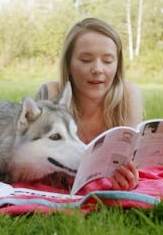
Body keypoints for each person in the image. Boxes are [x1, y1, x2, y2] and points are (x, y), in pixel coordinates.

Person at [35, 17, 144, 191]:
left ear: (117, 65)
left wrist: (128, 176)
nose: (98, 69)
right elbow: (39, 161)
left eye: (108, 61)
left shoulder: (128, 96)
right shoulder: (51, 95)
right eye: (86, 60)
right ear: (69, 64)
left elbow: (132, 163)